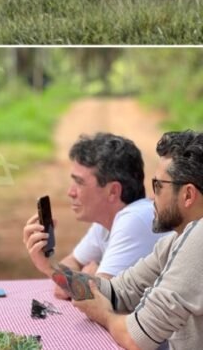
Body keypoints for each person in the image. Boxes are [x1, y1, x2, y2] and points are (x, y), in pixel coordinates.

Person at [74, 130, 203, 350]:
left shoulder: (199, 238)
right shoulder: (176, 240)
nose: (152, 197)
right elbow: (117, 292)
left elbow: (137, 338)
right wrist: (50, 265)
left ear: (188, 195)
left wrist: (103, 313)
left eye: (159, 186)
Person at [22, 133, 168, 299]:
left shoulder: (134, 218)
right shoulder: (107, 222)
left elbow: (95, 298)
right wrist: (85, 278)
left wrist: (49, 266)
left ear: (113, 191)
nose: (70, 192)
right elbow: (72, 268)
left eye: (79, 182)